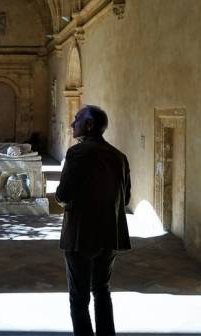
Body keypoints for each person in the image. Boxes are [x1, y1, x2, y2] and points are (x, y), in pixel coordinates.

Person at [55, 105, 131, 335]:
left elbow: (63, 195)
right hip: (109, 233)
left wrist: (61, 198)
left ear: (89, 125)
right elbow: (125, 197)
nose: (72, 124)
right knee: (102, 290)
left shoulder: (77, 153)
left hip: (80, 234)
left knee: (79, 299)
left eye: (77, 119)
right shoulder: (119, 157)